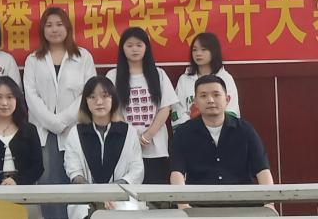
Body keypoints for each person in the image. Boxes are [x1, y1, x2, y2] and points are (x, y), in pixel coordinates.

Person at [23, 7, 96, 219]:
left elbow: (89, 92)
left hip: (75, 129)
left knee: (77, 180)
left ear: (68, 28)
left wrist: (62, 120)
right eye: (49, 25)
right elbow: (31, 95)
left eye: (59, 24)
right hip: (43, 132)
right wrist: (53, 123)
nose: (54, 29)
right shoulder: (33, 60)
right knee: (48, 184)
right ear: (42, 30)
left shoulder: (83, 57)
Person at [170, 75, 274, 209]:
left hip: (243, 204)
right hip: (199, 205)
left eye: (216, 95)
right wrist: (183, 206)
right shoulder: (183, 133)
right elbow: (177, 173)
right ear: (195, 102)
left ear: (227, 99)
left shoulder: (245, 130)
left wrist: (269, 203)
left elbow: (262, 170)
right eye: (203, 96)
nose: (210, 100)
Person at [64, 76, 144, 219]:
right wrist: (96, 196)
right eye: (92, 97)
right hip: (86, 199)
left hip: (121, 196)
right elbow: (74, 172)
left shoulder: (129, 132)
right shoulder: (75, 133)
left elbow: (136, 170)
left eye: (105, 96)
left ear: (113, 99)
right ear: (85, 101)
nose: (99, 102)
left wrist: (112, 192)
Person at [105, 27, 177, 185]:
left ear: (146, 47)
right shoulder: (112, 75)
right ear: (123, 48)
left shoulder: (159, 74)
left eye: (139, 45)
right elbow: (112, 110)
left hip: (155, 148)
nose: (134, 49)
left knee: (155, 193)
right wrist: (131, 137)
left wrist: (147, 136)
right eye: (129, 45)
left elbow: (165, 108)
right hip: (124, 146)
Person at [172, 32, 240, 127]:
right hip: (191, 132)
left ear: (214, 51)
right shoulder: (184, 80)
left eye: (203, 49)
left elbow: (231, 110)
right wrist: (191, 129)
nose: (198, 54)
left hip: (220, 132)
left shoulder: (225, 78)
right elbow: (178, 110)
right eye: (194, 50)